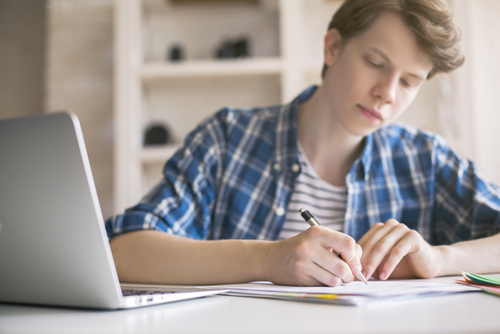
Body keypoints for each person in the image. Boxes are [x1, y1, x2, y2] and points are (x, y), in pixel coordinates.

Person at [106, 0, 500, 287]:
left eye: (410, 82)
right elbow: (123, 251)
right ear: (332, 47)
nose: (387, 93)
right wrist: (266, 258)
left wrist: (438, 258)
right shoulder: (228, 139)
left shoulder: (426, 160)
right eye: (376, 63)